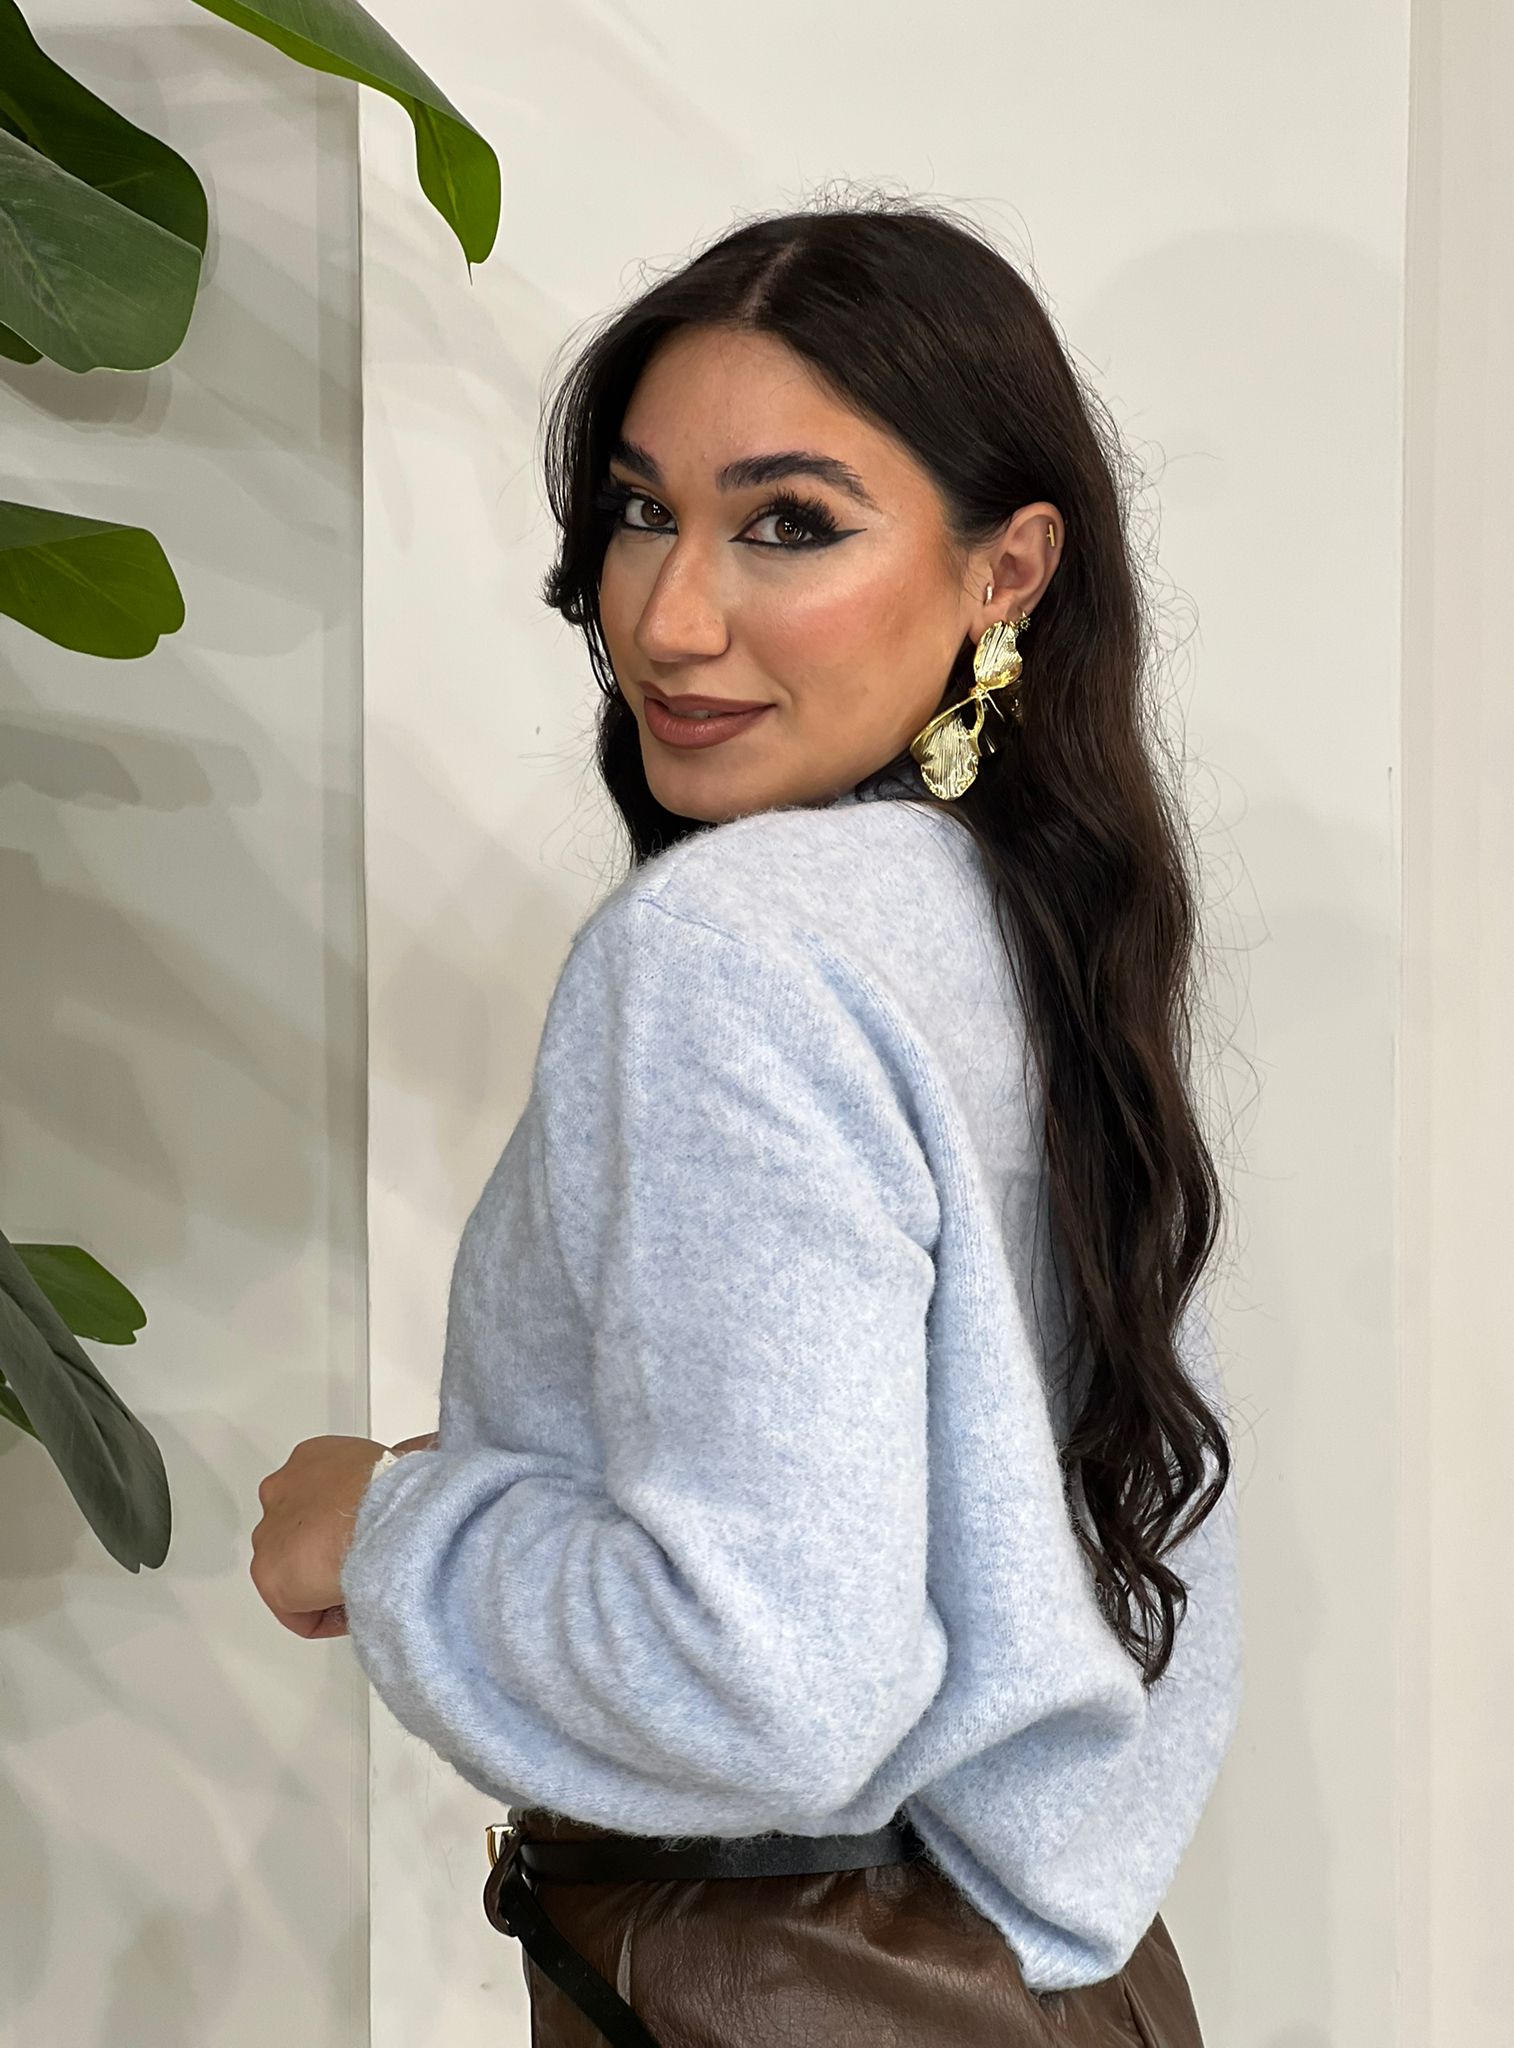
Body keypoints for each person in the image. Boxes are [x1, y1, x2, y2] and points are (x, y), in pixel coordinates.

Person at [251, 195, 1242, 2046]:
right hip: (1074, 1980)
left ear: (1006, 571)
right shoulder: (1039, 921)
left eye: (791, 523)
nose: (669, 617)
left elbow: (771, 1678)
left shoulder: (733, 949)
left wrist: (385, 1531)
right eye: (644, 511)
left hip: (793, 1980)